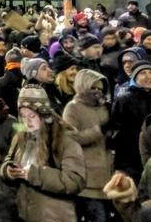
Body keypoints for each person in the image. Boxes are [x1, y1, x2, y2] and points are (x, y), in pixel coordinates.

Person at [1, 85, 86, 222]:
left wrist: (36, 174)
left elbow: (74, 181)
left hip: (55, 216)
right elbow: (8, 160)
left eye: (32, 116)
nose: (26, 122)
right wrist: (8, 171)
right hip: (25, 214)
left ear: (44, 114)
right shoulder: (21, 137)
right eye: (22, 116)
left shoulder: (65, 140)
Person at [62, 69, 111, 222]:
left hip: (107, 177)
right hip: (87, 181)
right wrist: (99, 130)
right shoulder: (72, 108)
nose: (97, 92)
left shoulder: (104, 107)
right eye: (93, 88)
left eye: (100, 89)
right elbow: (71, 137)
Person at [111, 62, 151, 182]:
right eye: (142, 73)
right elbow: (117, 132)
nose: (148, 76)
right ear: (134, 77)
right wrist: (119, 164)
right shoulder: (123, 101)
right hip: (132, 158)